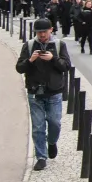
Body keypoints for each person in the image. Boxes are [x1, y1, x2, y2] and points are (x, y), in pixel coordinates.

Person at [15, 18, 70, 170]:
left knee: (55, 123)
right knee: (38, 127)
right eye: (39, 32)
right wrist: (30, 60)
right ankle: (41, 157)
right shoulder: (30, 46)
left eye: (44, 32)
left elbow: (66, 66)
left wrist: (53, 59)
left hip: (54, 92)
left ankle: (52, 142)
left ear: (51, 30)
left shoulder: (59, 45)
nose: (42, 35)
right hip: (35, 92)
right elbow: (19, 68)